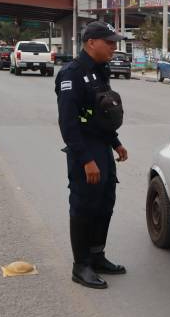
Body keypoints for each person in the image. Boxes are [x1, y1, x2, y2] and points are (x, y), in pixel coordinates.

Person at [55, 22, 129, 289]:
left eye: (114, 42)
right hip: (84, 150)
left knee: (105, 202)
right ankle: (81, 265)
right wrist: (86, 160)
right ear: (90, 43)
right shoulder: (71, 74)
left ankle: (97, 256)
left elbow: (102, 114)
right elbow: (69, 124)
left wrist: (115, 143)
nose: (114, 47)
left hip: (102, 147)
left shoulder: (101, 70)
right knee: (84, 206)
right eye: (109, 42)